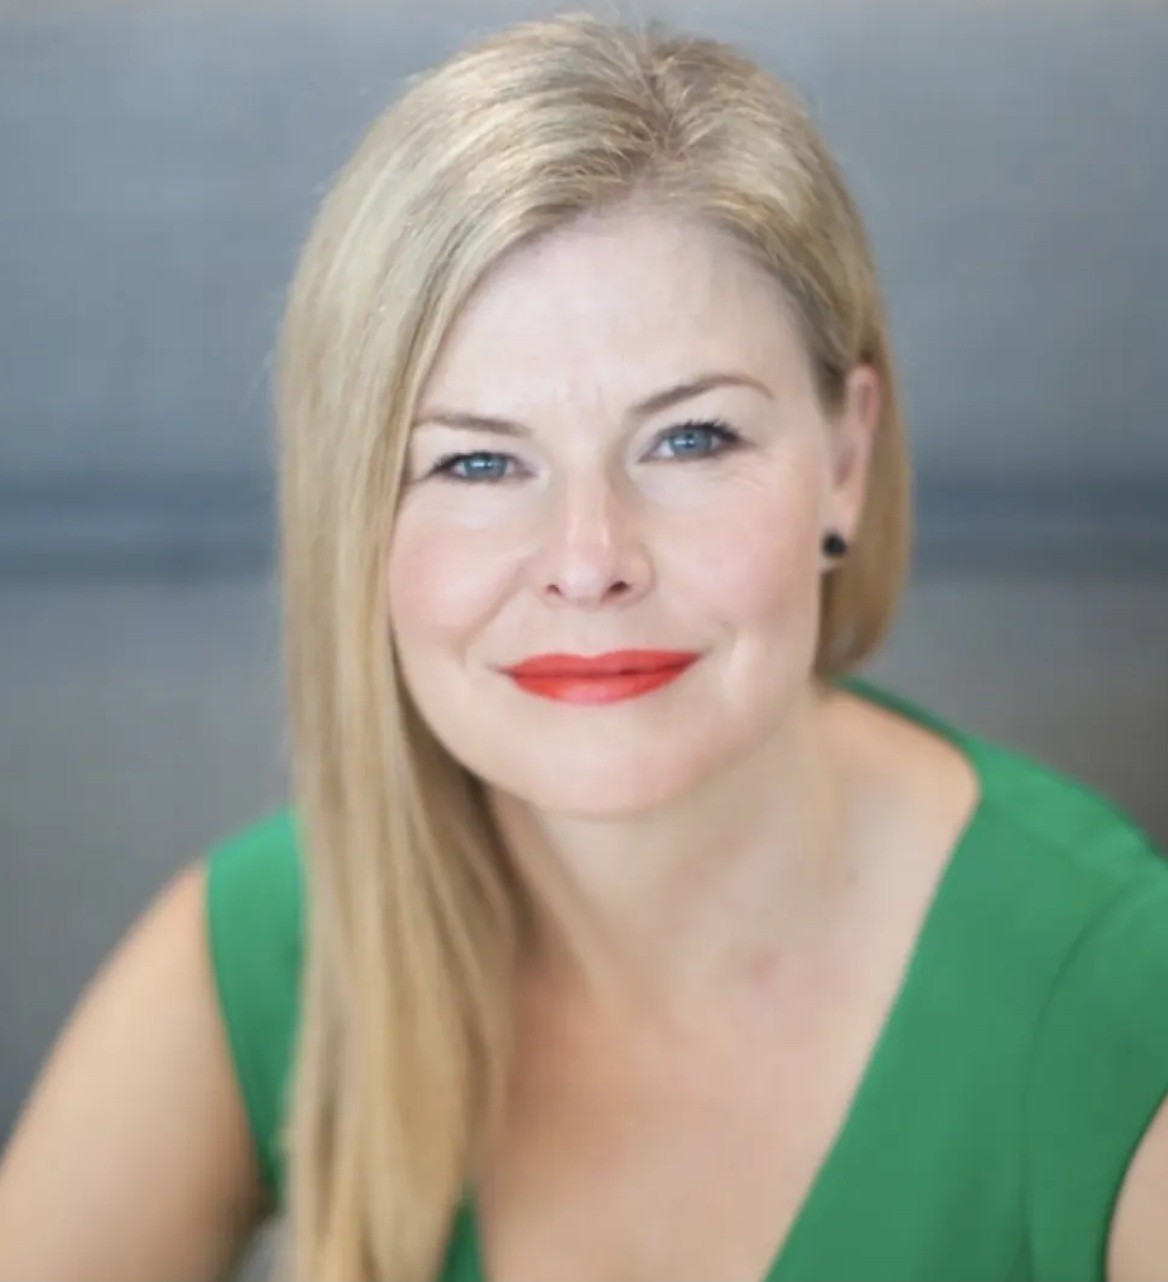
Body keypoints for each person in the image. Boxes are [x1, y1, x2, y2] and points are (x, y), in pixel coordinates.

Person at [1, 12, 1166, 1282]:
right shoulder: (278, 942)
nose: (587, 556)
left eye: (689, 439)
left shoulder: (1120, 1011)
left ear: (843, 460)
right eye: (478, 460)